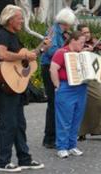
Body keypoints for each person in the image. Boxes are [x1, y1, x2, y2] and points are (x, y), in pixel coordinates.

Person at [0, 4, 46, 172]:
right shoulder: (3, 35)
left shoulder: (14, 37)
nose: (22, 21)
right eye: (19, 18)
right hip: (5, 88)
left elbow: (23, 61)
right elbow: (1, 54)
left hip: (15, 87)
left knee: (19, 125)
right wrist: (23, 55)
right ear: (10, 20)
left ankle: (24, 159)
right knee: (8, 126)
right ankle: (3, 162)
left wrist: (41, 49)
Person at [41, 8, 76, 149]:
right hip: (50, 68)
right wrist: (67, 49)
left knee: (58, 103)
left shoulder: (62, 33)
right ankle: (49, 138)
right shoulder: (53, 32)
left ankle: (57, 136)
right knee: (53, 102)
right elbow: (51, 51)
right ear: (66, 22)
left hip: (57, 68)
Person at [50, 31, 88, 158]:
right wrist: (57, 85)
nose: (83, 45)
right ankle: (61, 146)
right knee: (64, 119)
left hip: (81, 87)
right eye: (81, 42)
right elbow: (53, 68)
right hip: (66, 87)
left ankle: (72, 145)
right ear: (73, 40)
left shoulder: (81, 54)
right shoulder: (61, 52)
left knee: (76, 118)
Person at [76, 24, 101, 141]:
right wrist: (82, 50)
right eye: (84, 33)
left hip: (93, 77)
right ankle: (82, 131)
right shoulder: (76, 45)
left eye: (88, 32)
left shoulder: (94, 46)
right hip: (80, 76)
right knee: (83, 104)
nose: (87, 35)